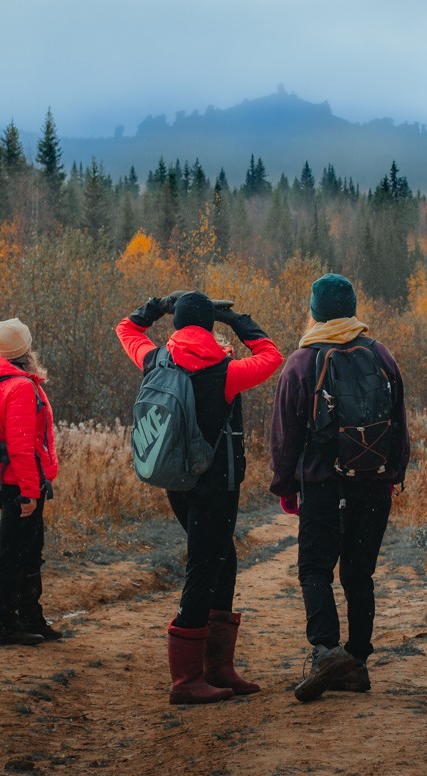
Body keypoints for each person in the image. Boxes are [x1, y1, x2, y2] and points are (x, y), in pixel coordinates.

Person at [117, 290, 283, 704]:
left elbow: (127, 328)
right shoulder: (224, 371)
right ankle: (187, 680)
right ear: (210, 325)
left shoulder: (155, 360)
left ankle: (218, 669)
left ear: (176, 324)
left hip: (178, 481)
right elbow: (271, 355)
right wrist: (239, 320)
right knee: (206, 566)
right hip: (217, 485)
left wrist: (155, 304)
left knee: (221, 560)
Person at [269, 273, 410, 702]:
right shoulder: (380, 353)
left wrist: (286, 484)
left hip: (323, 485)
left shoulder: (302, 361)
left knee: (315, 570)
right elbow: (400, 424)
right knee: (358, 573)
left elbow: (285, 435)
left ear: (315, 311)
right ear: (352, 308)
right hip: (373, 484)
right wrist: (393, 474)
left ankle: (327, 650)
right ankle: (358, 662)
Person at [0, 317, 61, 646]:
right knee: (13, 555)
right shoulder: (20, 387)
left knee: (28, 552)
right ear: (26, 348)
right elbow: (21, 446)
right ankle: (5, 625)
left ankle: (30, 616)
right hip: (18, 484)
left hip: (8, 480)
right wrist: (29, 493)